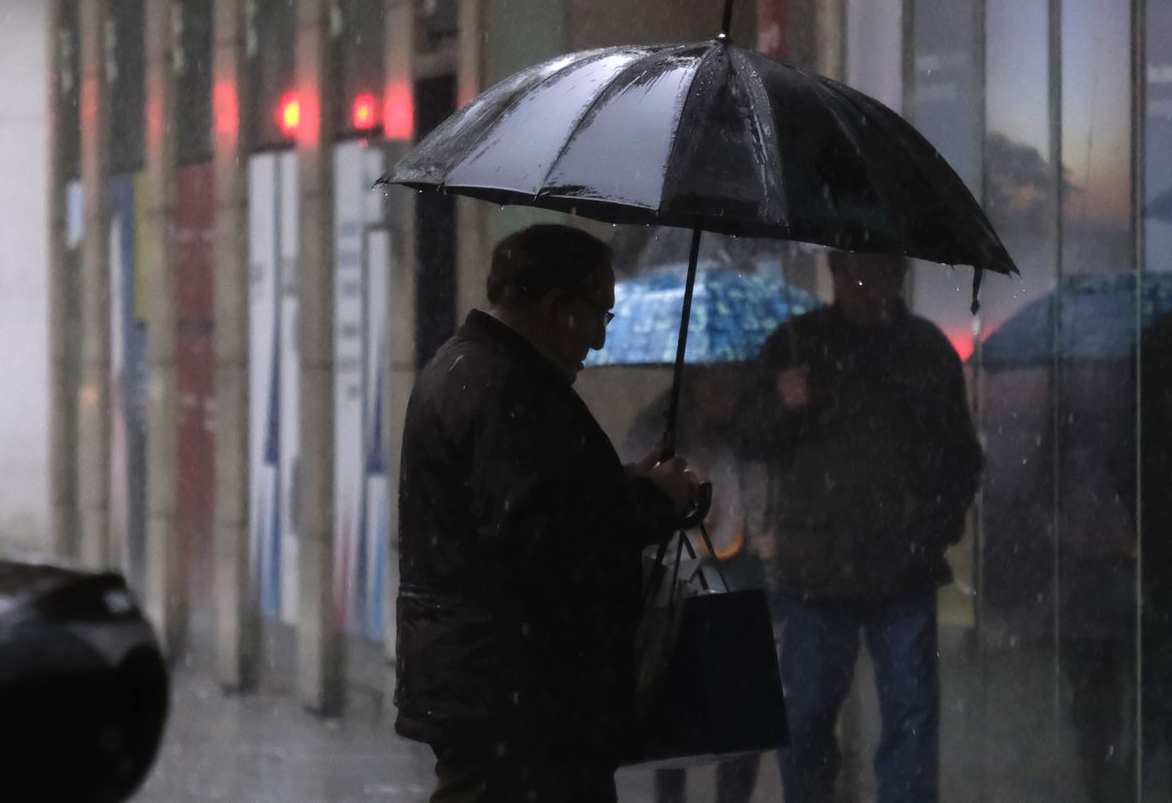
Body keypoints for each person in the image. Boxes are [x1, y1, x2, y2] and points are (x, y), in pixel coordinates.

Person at [394, 223, 703, 803]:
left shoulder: (471, 369)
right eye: (598, 316)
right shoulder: (506, 390)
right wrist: (650, 503)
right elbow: (544, 540)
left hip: (499, 692)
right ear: (558, 307)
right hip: (519, 696)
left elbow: (535, 506)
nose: (599, 341)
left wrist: (615, 485)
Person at [739, 252, 983, 803]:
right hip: (816, 570)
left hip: (900, 568)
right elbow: (751, 436)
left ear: (898, 275)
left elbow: (960, 458)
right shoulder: (795, 345)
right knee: (806, 719)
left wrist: (931, 530)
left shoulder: (923, 351)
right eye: (858, 270)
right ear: (836, 270)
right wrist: (782, 402)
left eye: (882, 271)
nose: (870, 284)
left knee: (910, 720)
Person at [622, 365, 767, 803]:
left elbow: (758, 485)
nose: (728, 391)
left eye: (733, 381)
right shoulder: (659, 425)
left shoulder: (747, 426)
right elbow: (636, 492)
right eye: (717, 382)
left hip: (736, 573)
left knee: (741, 716)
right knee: (676, 713)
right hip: (676, 580)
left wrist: (759, 523)